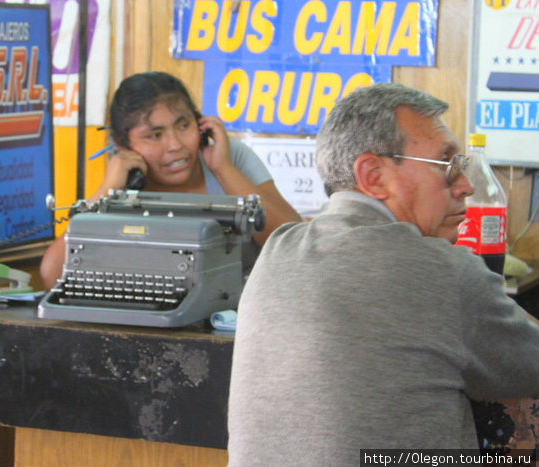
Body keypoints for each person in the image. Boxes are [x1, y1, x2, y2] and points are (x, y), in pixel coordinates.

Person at [227, 82, 539, 466]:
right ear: (373, 176)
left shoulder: (278, 249)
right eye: (448, 165)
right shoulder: (442, 271)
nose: (466, 185)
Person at [39, 71, 301, 290]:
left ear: (201, 124)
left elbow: (296, 247)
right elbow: (52, 275)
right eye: (154, 135)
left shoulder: (231, 158)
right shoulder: (121, 185)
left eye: (184, 125)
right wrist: (107, 191)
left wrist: (224, 169)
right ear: (123, 144)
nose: (175, 145)